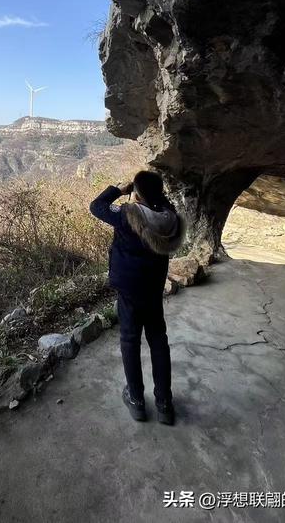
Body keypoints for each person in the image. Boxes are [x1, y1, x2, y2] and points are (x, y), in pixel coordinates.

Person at [89, 170, 183, 424]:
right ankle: (164, 402)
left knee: (130, 339)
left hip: (130, 289)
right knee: (158, 340)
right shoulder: (169, 219)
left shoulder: (128, 216)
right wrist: (151, 195)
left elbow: (96, 206)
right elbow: (163, 204)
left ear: (137, 193)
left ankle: (136, 400)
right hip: (153, 287)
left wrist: (119, 189)